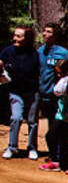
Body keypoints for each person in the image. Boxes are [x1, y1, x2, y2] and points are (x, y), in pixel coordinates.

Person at [37, 23, 68, 169]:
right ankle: (55, 155)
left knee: (57, 129)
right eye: (44, 32)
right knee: (51, 127)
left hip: (58, 96)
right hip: (45, 94)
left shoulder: (62, 52)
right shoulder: (40, 51)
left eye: (48, 32)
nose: (44, 34)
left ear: (55, 35)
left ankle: (59, 157)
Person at [1, 26, 40, 160]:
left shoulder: (34, 54)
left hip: (32, 92)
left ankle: (32, 148)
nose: (15, 38)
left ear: (27, 38)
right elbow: (1, 62)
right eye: (14, 35)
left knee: (32, 121)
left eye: (19, 36)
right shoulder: (8, 52)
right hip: (15, 92)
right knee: (16, 118)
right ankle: (12, 147)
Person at [41, 59, 68, 174]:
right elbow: (57, 91)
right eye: (57, 73)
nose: (58, 75)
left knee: (67, 141)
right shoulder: (64, 79)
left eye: (60, 73)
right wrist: (66, 79)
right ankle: (55, 160)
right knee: (50, 136)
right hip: (61, 115)